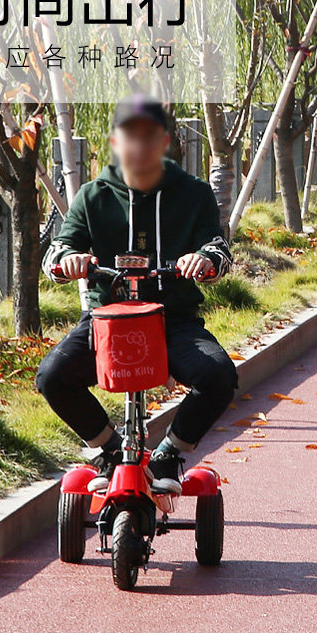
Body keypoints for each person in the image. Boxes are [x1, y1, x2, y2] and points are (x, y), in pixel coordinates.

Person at [37, 94, 237, 495]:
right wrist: (69, 260)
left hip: (173, 319)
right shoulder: (93, 195)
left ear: (165, 142)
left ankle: (169, 452)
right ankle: (109, 449)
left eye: (150, 136)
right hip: (106, 322)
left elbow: (219, 248)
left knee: (218, 375)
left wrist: (204, 259)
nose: (139, 146)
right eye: (130, 136)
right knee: (52, 376)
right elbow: (56, 251)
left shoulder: (194, 193)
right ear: (115, 142)